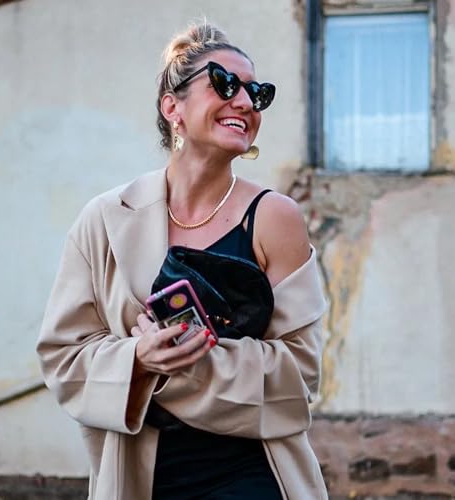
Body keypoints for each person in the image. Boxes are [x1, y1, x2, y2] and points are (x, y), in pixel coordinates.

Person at [37, 21, 328, 500]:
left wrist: (180, 364)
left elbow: (300, 375)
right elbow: (63, 358)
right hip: (137, 478)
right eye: (225, 84)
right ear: (171, 106)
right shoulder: (105, 218)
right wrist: (138, 358)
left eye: (256, 92)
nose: (245, 102)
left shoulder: (275, 218)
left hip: (254, 474)